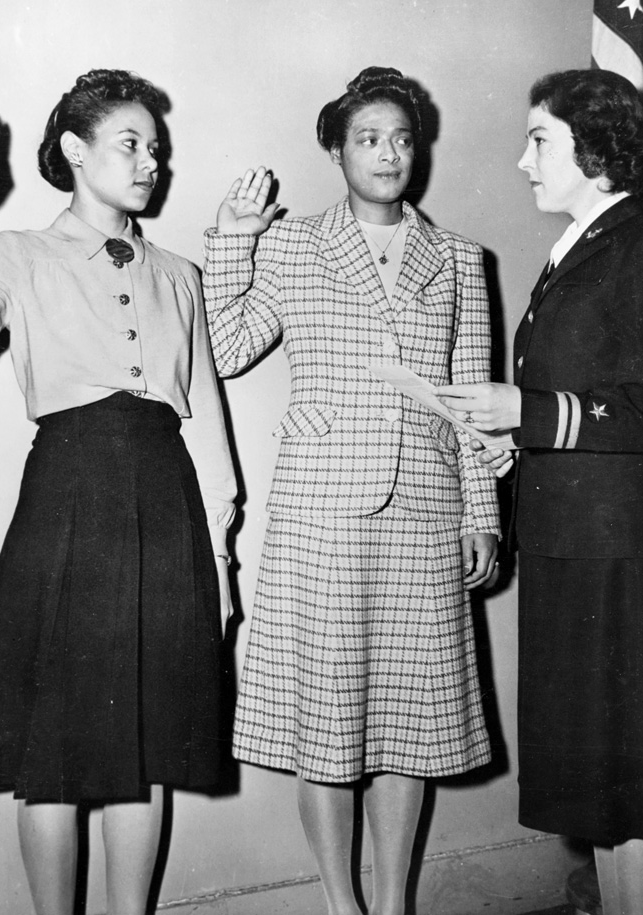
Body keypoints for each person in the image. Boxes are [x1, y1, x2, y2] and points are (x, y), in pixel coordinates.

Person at [0, 70, 236, 915]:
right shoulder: (19, 254)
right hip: (67, 497)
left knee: (146, 739)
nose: (150, 162)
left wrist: (219, 553)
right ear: (74, 150)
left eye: (155, 148)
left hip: (166, 502)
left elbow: (203, 420)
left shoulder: (180, 272)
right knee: (54, 746)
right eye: (130, 144)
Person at [203, 66, 499, 915]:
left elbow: (472, 390)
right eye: (368, 138)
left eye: (403, 138)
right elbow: (225, 348)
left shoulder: (459, 259)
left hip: (426, 510)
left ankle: (393, 903)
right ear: (336, 149)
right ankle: (342, 905)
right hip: (322, 512)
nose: (389, 153)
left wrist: (483, 511)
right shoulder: (294, 245)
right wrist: (233, 238)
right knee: (326, 723)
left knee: (412, 721)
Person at [436, 68, 643, 915]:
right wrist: (515, 443)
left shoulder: (634, 242)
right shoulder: (588, 244)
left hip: (616, 556)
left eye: (541, 141)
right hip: (572, 545)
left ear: (595, 153)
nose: (523, 162)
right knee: (602, 785)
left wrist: (530, 410)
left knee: (624, 782)